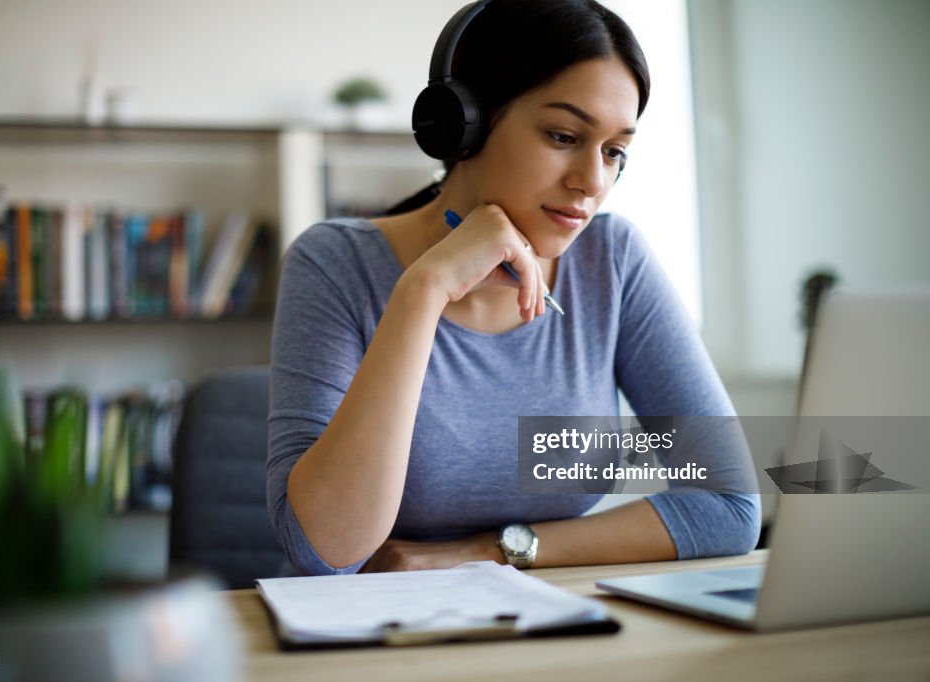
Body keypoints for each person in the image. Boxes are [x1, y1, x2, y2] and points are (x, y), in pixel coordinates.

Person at [267, 0, 760, 576]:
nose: (591, 182)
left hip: (552, 622)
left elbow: (728, 505)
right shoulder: (335, 263)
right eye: (562, 135)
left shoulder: (613, 261)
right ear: (463, 124)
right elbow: (323, 551)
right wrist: (423, 291)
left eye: (614, 151)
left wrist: (488, 551)